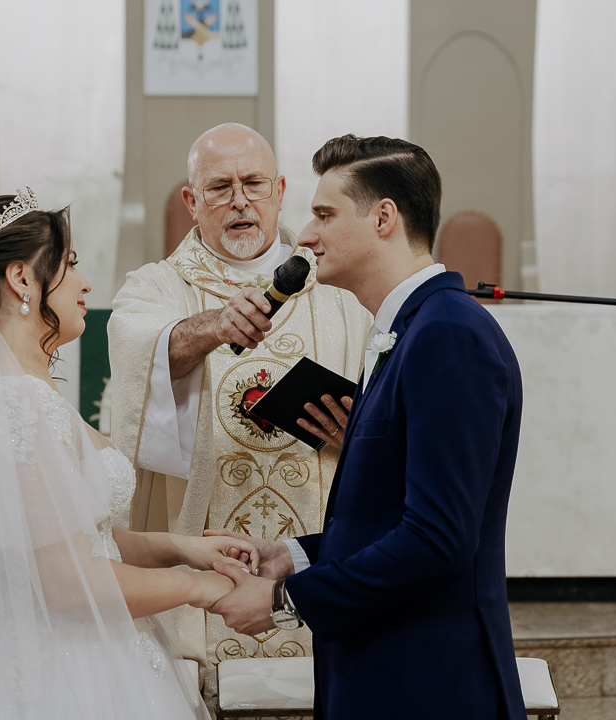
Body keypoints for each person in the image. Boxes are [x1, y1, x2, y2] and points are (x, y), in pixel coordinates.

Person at [0, 189, 261, 720]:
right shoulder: (14, 403)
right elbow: (65, 581)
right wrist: (198, 588)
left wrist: (179, 547)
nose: (86, 283)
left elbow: (73, 539)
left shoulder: (20, 392)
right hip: (64, 672)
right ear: (22, 278)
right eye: (69, 265)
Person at [207, 135, 526, 719]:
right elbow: (389, 519)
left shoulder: (448, 335)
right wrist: (293, 557)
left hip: (430, 683)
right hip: (387, 673)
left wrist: (284, 601)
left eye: (325, 214)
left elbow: (438, 540)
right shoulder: (408, 332)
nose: (304, 235)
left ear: (384, 218)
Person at [107, 124, 371, 697]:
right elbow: (139, 352)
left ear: (279, 191)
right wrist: (211, 328)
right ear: (191, 200)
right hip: (200, 571)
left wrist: (362, 440)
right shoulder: (155, 287)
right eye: (220, 187)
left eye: (253, 184)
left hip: (315, 561)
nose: (240, 201)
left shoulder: (339, 293)